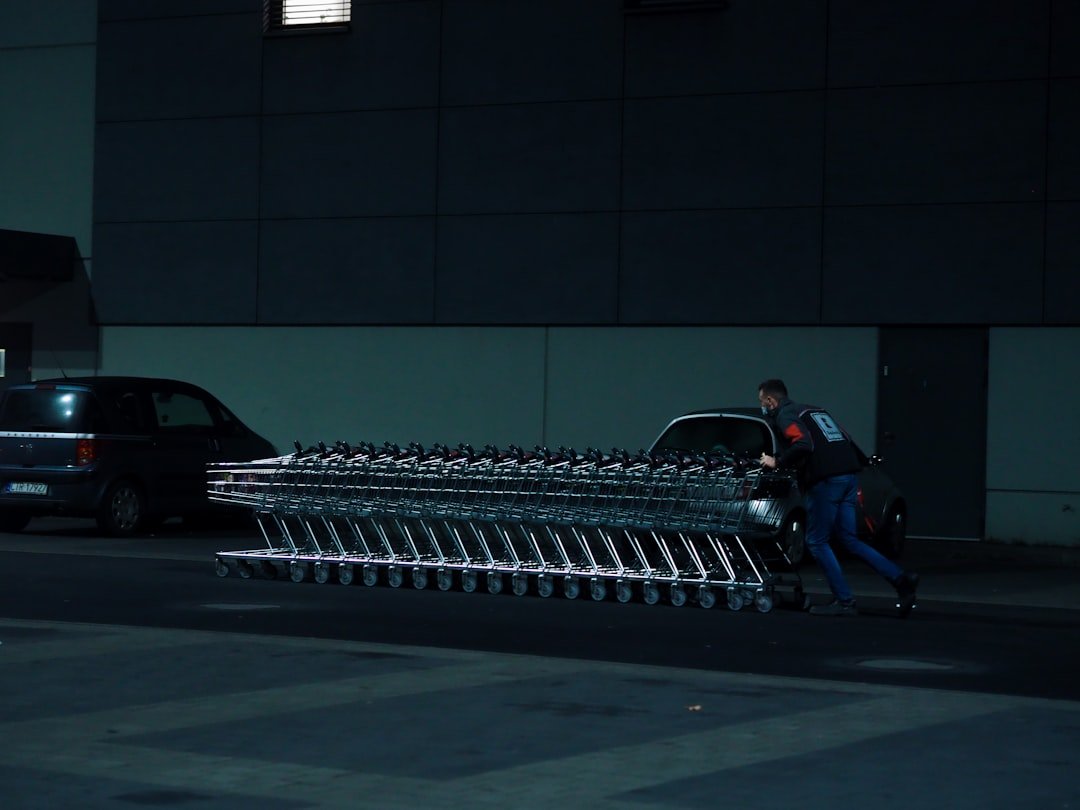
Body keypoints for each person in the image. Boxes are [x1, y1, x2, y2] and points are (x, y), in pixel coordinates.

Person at [756, 379, 919, 617]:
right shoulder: (814, 411)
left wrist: (777, 462)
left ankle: (844, 601)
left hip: (827, 481)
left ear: (771, 401)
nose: (762, 406)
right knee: (849, 539)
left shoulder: (785, 415)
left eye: (762, 402)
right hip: (848, 477)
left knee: (816, 541)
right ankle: (901, 579)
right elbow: (846, 439)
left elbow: (803, 443)